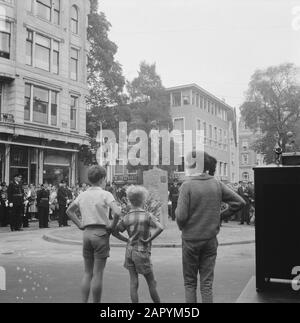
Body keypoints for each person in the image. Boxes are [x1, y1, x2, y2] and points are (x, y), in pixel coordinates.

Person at [176, 151, 245, 303]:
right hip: (210, 239)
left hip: (191, 240)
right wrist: (220, 216)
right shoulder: (216, 184)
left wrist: (182, 227)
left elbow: (181, 216)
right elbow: (239, 202)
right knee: (206, 284)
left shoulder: (187, 186)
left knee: (190, 283)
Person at [66, 165, 122, 303]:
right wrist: (111, 227)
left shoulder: (83, 194)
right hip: (101, 233)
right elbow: (118, 212)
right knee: (98, 274)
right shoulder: (105, 194)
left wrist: (80, 224)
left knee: (87, 273)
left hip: (87, 233)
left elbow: (69, 211)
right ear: (102, 178)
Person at [114, 185, 164, 303]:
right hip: (142, 251)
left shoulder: (127, 217)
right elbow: (160, 227)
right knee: (151, 282)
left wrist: (126, 240)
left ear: (130, 200)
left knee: (133, 282)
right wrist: (149, 240)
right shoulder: (147, 215)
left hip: (130, 251)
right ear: (143, 200)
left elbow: (115, 231)